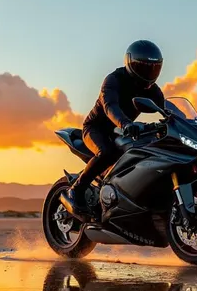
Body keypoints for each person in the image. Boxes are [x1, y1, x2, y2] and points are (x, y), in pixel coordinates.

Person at [60, 40, 166, 220]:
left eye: (154, 68)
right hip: (96, 129)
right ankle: (75, 191)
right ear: (131, 63)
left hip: (123, 132)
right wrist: (125, 123)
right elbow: (110, 107)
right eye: (144, 66)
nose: (149, 72)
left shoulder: (153, 91)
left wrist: (182, 124)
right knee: (106, 152)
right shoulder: (114, 80)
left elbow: (168, 111)